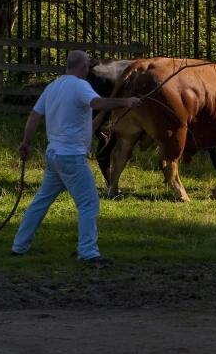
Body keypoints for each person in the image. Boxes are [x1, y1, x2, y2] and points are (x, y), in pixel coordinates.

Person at [11, 50, 141, 266]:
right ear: (83, 67)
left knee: (40, 202)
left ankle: (19, 246)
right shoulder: (81, 86)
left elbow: (34, 116)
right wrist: (126, 101)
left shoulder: (53, 86)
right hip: (71, 157)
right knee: (89, 203)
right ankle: (88, 252)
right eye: (88, 66)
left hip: (54, 156)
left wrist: (26, 144)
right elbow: (98, 103)